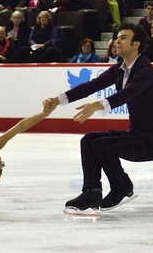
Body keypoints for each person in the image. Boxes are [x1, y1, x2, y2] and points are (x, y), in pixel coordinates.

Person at [46, 23, 153, 211]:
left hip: (150, 140)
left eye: (123, 38)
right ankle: (91, 191)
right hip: (139, 134)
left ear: (136, 44)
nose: (117, 41)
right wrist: (59, 99)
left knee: (102, 145)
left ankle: (122, 186)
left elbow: (127, 94)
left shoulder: (146, 71)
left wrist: (97, 105)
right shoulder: (119, 68)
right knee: (89, 140)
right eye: (117, 37)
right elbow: (92, 85)